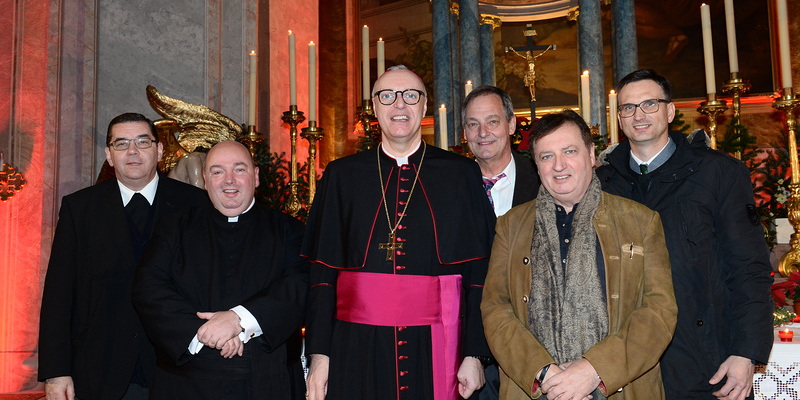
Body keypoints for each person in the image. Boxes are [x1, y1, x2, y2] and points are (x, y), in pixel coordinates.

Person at [302, 65, 496, 400]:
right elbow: (322, 276)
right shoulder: (341, 177)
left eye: (411, 96)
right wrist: (320, 357)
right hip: (355, 345)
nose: (400, 105)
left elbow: (480, 274)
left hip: (436, 346)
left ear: (424, 107)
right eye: (388, 96)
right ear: (374, 109)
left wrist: (475, 353)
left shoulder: (461, 174)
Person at [596, 69, 773, 400]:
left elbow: (748, 269)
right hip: (626, 366)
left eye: (650, 104)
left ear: (670, 111)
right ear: (619, 118)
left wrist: (746, 352)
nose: (639, 115)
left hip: (707, 360)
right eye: (628, 107)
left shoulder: (719, 173)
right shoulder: (602, 184)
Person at [482, 109, 678, 400]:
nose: (559, 166)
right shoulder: (511, 225)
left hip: (620, 389)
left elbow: (659, 311)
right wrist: (545, 374)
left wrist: (593, 370)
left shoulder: (639, 221)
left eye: (569, 151)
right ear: (536, 165)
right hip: (535, 390)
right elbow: (496, 308)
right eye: (546, 156)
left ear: (591, 154)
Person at [38, 113, 209, 400]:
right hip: (100, 368)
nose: (132, 151)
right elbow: (59, 294)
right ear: (108, 154)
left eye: (143, 142)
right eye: (121, 143)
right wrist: (56, 371)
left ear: (159, 150)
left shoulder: (195, 205)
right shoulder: (80, 209)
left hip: (179, 369)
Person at [131, 140, 308, 400]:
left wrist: (238, 320)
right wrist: (204, 333)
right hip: (186, 382)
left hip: (265, 381)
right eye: (217, 171)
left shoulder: (290, 230)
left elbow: (300, 284)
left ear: (256, 176)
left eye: (239, 169)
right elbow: (148, 288)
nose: (229, 181)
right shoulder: (173, 229)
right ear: (205, 180)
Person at [462, 85, 540, 400]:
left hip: (532, 346)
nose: (483, 132)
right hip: (468, 351)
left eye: (492, 121)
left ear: (511, 125)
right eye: (472, 124)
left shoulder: (544, 178)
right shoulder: (449, 185)